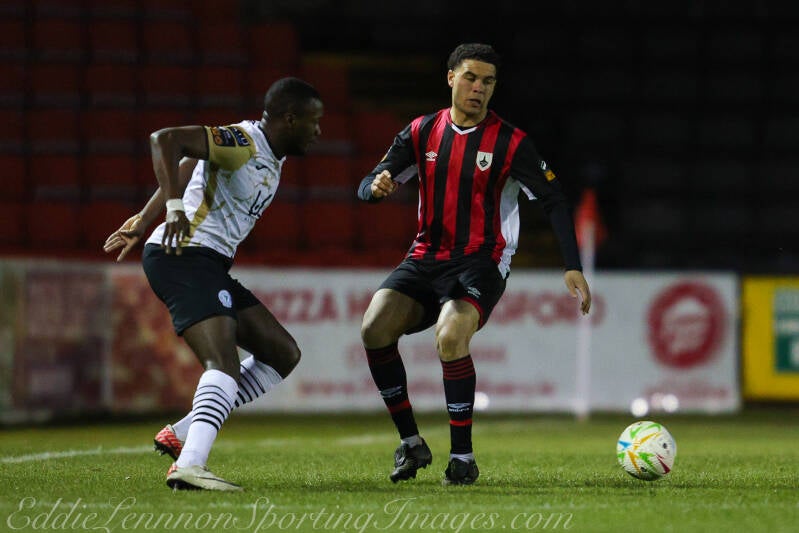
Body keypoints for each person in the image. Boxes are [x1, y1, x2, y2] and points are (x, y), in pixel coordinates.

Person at [357, 43, 591, 486]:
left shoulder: (511, 142)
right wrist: (376, 188)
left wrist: (572, 264)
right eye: (470, 77)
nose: (478, 88)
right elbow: (370, 181)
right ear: (451, 78)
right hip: (425, 256)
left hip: (481, 261)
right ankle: (411, 443)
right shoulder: (422, 131)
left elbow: (554, 200)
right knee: (374, 328)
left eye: (488, 81)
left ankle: (462, 458)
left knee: (451, 335)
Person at [103, 77, 323, 491]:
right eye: (314, 121)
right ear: (291, 119)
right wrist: (171, 209)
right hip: (183, 254)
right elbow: (165, 140)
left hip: (207, 263)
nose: (319, 131)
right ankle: (189, 465)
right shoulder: (244, 142)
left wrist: (143, 218)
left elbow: (191, 162)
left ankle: (185, 431)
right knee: (222, 363)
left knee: (282, 353)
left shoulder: (269, 156)